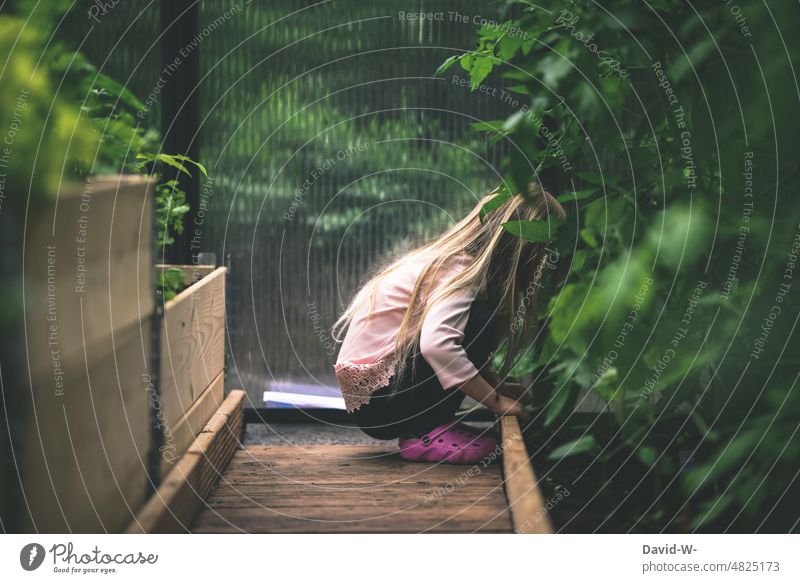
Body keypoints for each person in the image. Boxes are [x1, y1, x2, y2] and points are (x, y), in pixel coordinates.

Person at [332, 182, 567, 464]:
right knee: (480, 318)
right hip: (381, 403)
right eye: (544, 250)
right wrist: (496, 401)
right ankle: (425, 432)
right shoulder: (461, 271)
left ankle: (433, 425)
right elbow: (438, 346)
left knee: (476, 318)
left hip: (378, 400)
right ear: (525, 246)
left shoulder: (451, 264)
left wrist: (495, 383)